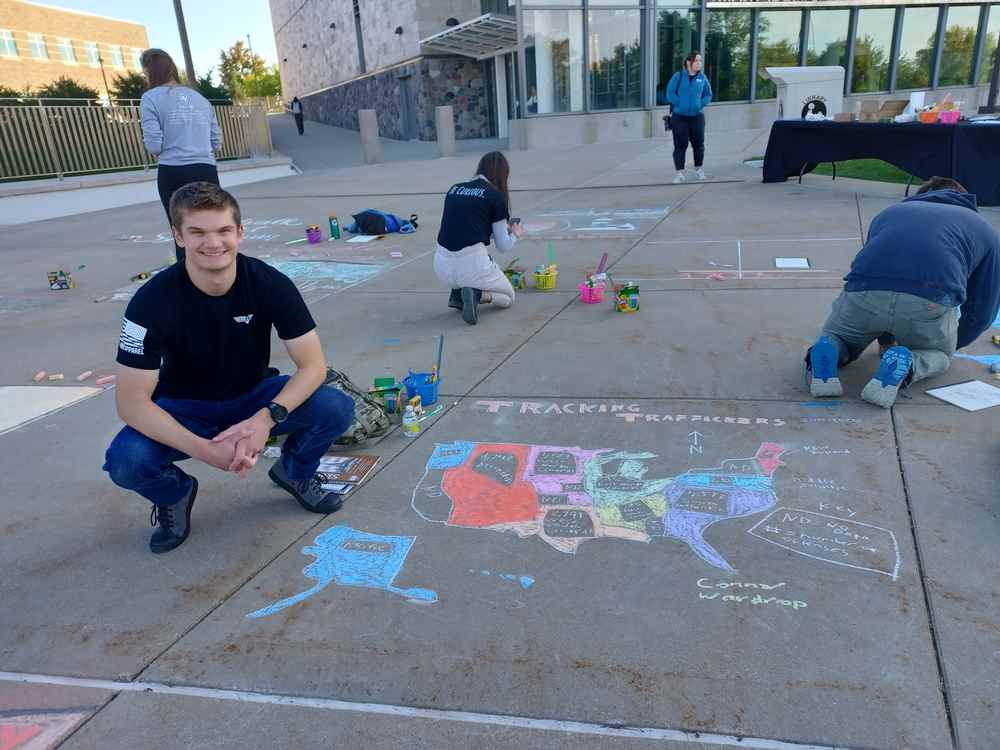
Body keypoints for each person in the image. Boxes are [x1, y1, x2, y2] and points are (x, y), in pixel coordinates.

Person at [103, 183, 355, 554]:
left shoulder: (269, 283)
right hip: (184, 405)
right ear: (178, 236)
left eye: (223, 230)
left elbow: (313, 365)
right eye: (198, 232)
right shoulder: (150, 301)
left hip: (253, 395)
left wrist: (265, 419)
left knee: (336, 408)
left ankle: (295, 472)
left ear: (239, 232)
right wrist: (206, 450)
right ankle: (175, 494)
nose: (213, 243)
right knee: (125, 462)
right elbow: (131, 403)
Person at [806, 177, 1000, 408]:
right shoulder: (982, 228)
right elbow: (983, 310)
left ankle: (830, 351)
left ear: (922, 195)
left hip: (863, 293)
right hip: (928, 301)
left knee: (838, 338)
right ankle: (909, 364)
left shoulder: (890, 213)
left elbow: (881, 267)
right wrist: (950, 343)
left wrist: (886, 336)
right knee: (938, 355)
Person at [140, 48, 222, 264]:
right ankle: (218, 272)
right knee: (212, 226)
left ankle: (188, 282)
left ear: (150, 71)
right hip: (205, 169)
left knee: (183, 232)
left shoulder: (150, 98)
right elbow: (217, 142)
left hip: (173, 171)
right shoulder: (200, 99)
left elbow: (154, 144)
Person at [433, 152, 524, 325]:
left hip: (441, 266)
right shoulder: (495, 196)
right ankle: (477, 295)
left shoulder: (454, 189)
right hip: (471, 266)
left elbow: (463, 226)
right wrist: (515, 233)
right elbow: (503, 246)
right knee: (508, 297)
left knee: (464, 259)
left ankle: (458, 294)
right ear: (503, 174)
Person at [665, 51, 712, 184]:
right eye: (697, 60)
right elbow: (670, 93)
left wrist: (700, 104)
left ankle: (698, 169)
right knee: (680, 145)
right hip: (679, 117)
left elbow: (708, 94)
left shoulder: (702, 77)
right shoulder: (678, 76)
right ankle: (679, 173)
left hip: (697, 117)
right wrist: (680, 103)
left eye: (700, 61)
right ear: (688, 62)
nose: (699, 63)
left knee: (699, 144)